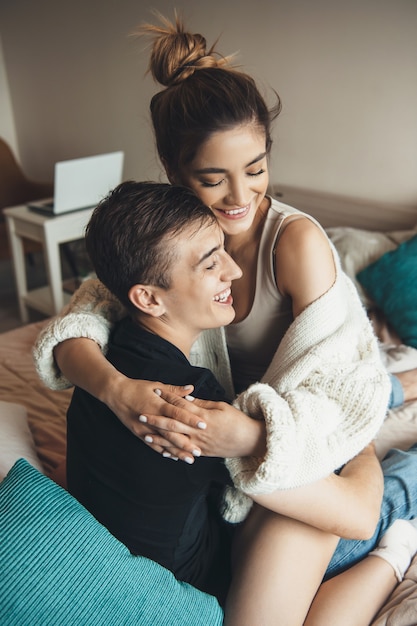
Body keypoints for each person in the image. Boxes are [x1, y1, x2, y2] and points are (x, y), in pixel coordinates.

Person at [33, 13, 417, 624]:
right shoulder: (168, 233)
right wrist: (115, 389)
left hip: (300, 429)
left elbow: (333, 393)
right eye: (213, 180)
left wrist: (254, 439)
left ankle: (403, 449)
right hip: (226, 440)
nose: (242, 199)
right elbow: (81, 325)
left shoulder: (295, 244)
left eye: (257, 170)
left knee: (382, 441)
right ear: (174, 172)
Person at [67, 178, 417, 625]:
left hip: (203, 542)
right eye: (210, 263)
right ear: (149, 298)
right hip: (201, 576)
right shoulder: (187, 404)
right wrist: (362, 444)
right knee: (352, 492)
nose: (233, 271)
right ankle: (401, 528)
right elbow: (354, 515)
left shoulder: (100, 355)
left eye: (224, 252)